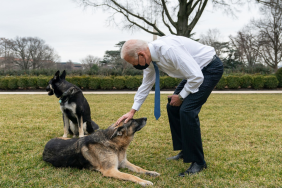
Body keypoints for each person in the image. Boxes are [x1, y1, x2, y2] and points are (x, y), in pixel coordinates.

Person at [116, 35, 223, 176]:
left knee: (187, 111)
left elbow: (197, 77)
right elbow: (146, 85)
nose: (135, 66)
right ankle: (185, 150)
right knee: (173, 107)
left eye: (134, 63)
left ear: (141, 54)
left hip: (208, 69)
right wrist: (132, 112)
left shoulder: (168, 50)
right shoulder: (149, 60)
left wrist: (181, 96)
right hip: (194, 72)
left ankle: (198, 162)